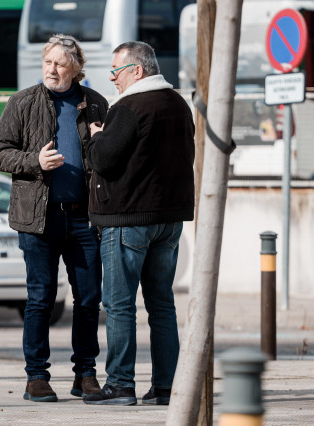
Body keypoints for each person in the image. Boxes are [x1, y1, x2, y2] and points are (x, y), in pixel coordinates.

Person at [0, 34, 108, 403]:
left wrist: (102, 146)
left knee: (89, 299)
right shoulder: (22, 102)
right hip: (38, 219)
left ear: (76, 68)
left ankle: (85, 374)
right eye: (47, 62)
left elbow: (111, 159)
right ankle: (36, 377)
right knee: (40, 298)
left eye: (59, 63)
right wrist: (33, 162)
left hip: (84, 219)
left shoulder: (97, 104)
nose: (52, 69)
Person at [83, 41, 195, 406]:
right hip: (169, 221)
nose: (112, 79)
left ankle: (120, 384)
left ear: (137, 71)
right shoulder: (179, 105)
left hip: (127, 220)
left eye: (116, 71)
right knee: (162, 304)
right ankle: (166, 387)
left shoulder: (129, 106)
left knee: (120, 305)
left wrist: (97, 136)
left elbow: (104, 160)